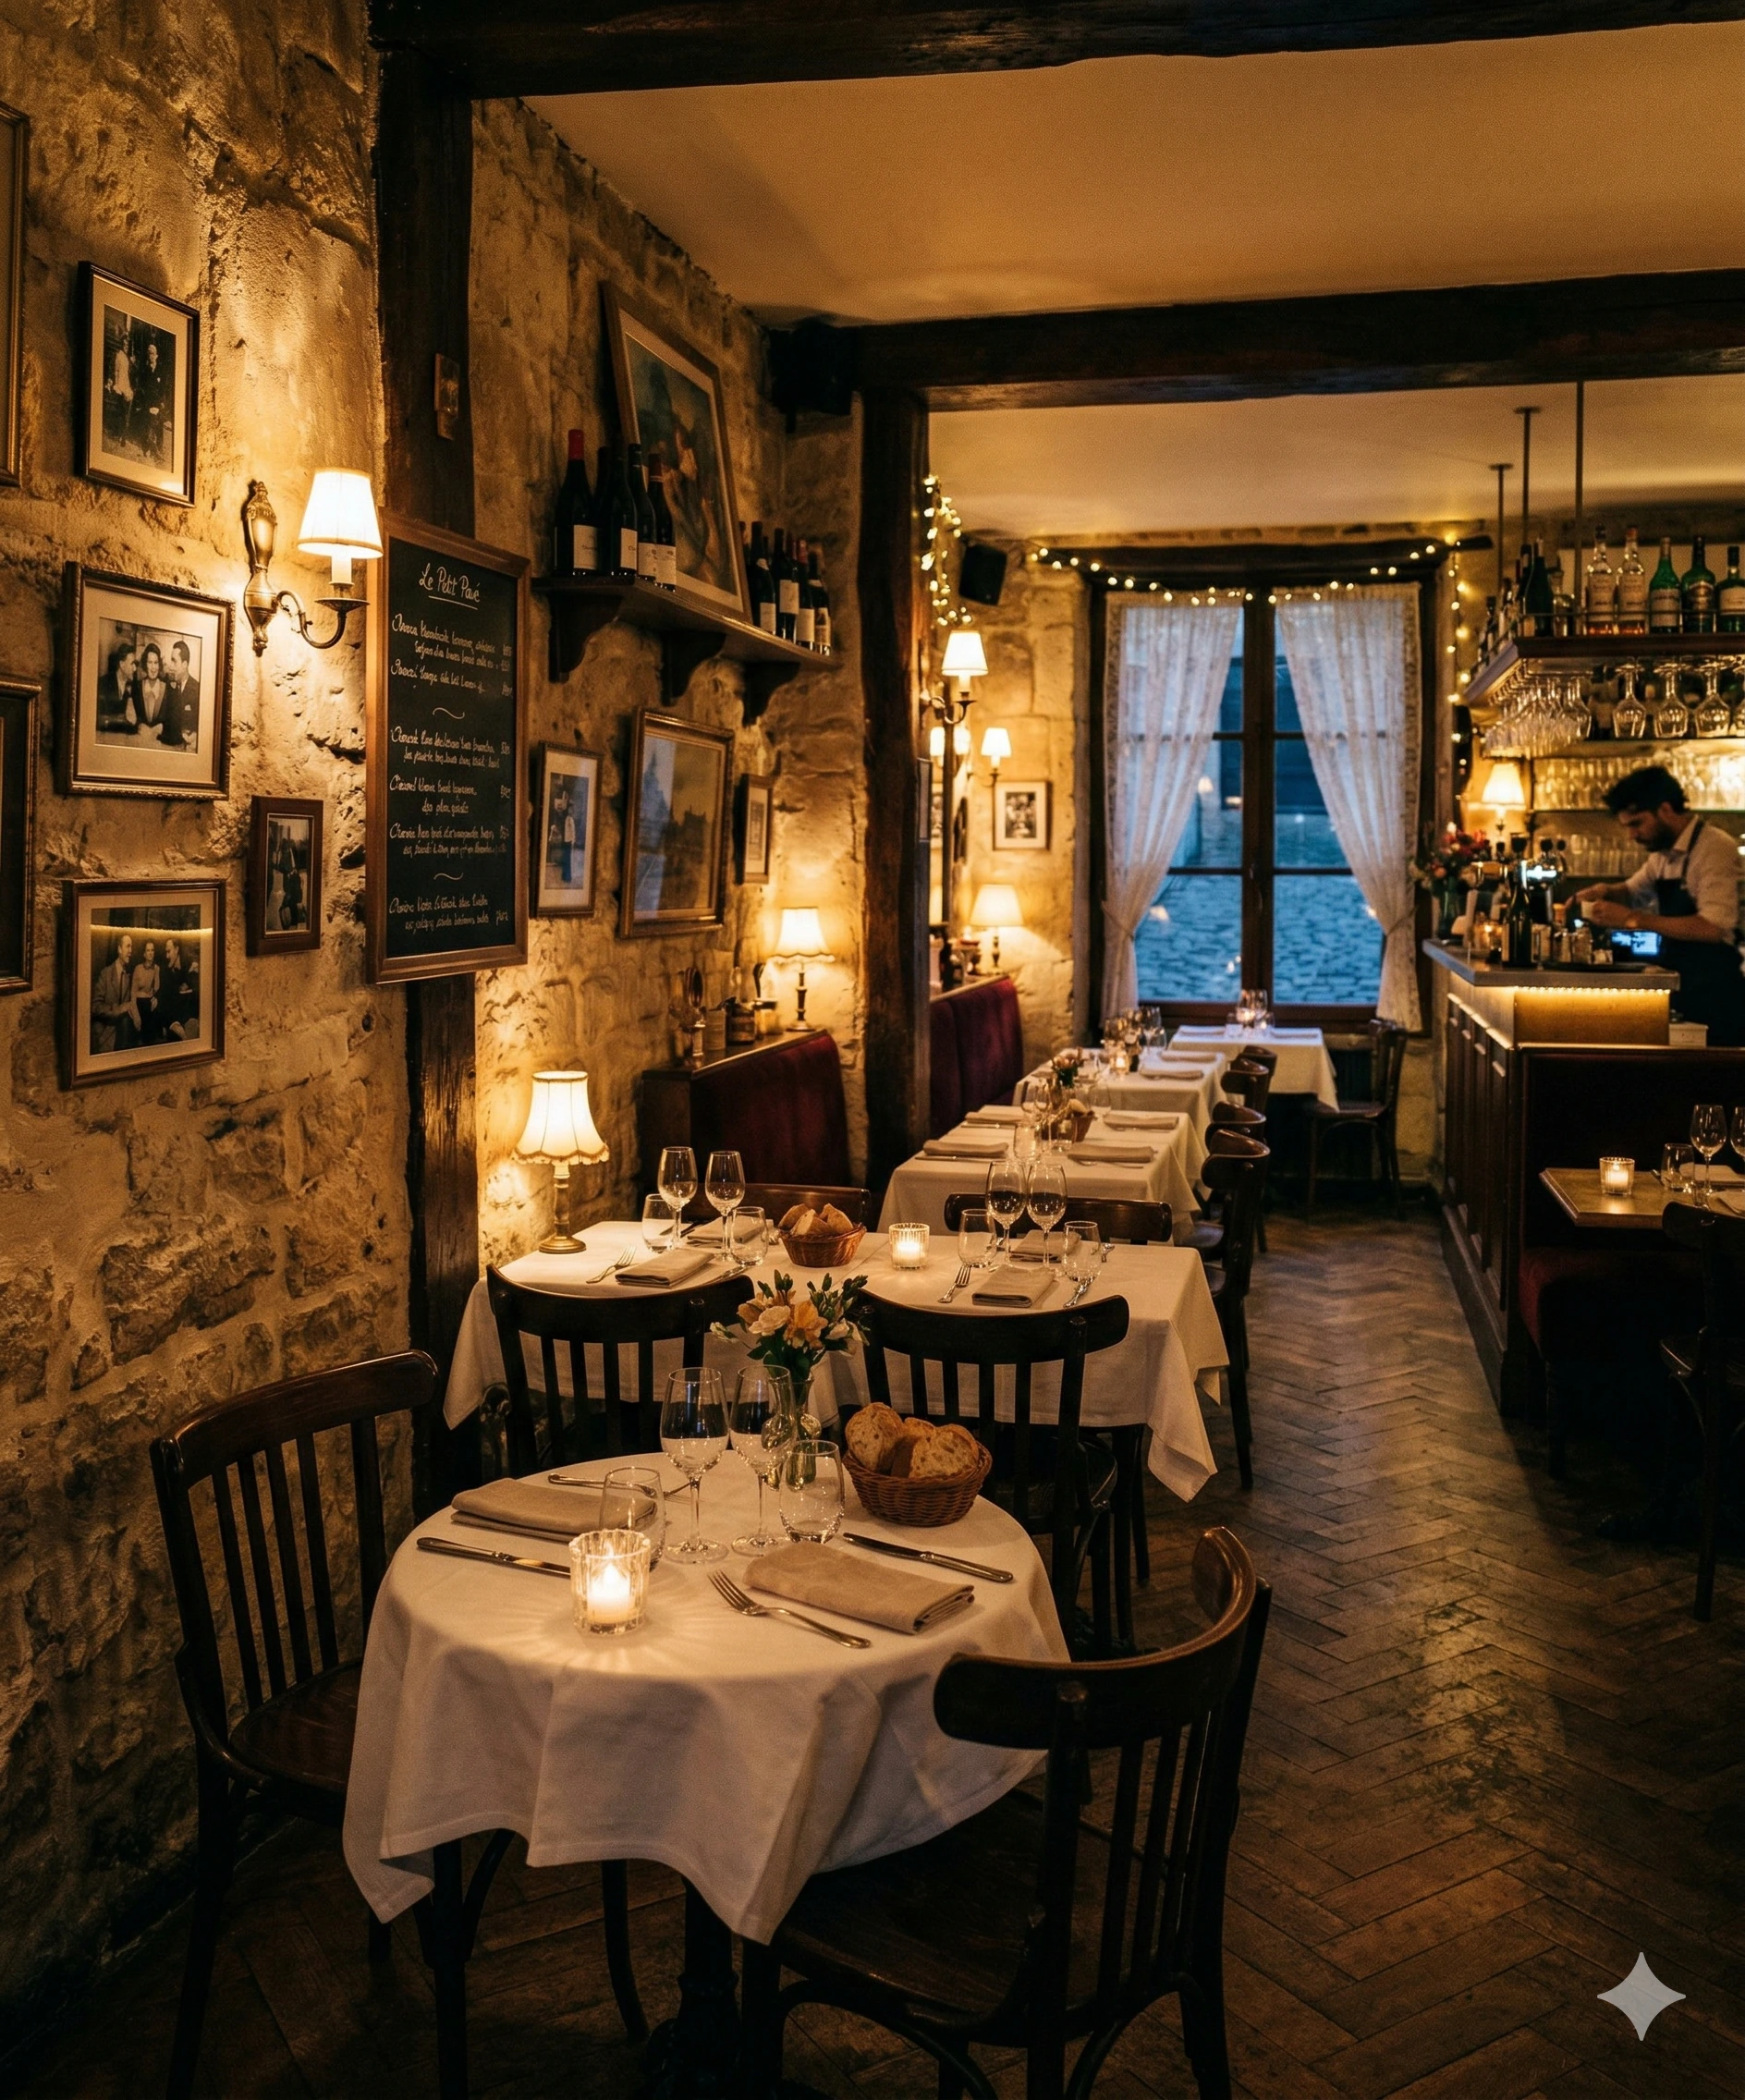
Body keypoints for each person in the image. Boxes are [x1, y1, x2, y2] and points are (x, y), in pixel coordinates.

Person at [1577, 763, 1745, 1045]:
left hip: (1717, 992)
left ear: (1665, 810)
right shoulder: (1664, 855)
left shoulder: (1714, 848)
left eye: (1637, 824)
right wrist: (1605, 891)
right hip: (1685, 983)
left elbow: (1712, 928)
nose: (1632, 835)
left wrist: (1632, 919)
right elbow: (1632, 891)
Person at [91, 933, 136, 1055]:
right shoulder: (105, 974)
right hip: (105, 1036)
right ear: (119, 949)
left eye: (131, 947)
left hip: (123, 1037)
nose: (131, 951)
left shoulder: (129, 975)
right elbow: (95, 1007)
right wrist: (119, 1009)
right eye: (128, 946)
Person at [162, 640, 199, 750]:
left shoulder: (197, 689)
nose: (171, 666)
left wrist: (195, 734)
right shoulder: (168, 686)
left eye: (174, 661)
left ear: (184, 664)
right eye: (171, 661)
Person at [95, 641, 139, 737]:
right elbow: (96, 718)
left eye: (135, 664)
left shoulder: (136, 687)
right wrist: (120, 719)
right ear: (122, 664)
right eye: (132, 664)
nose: (135, 668)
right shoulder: (103, 683)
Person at [160, 937, 198, 1039]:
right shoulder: (166, 968)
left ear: (176, 949)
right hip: (175, 1011)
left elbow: (196, 988)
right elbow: (165, 992)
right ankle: (173, 1025)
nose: (167, 956)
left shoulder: (189, 963)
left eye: (169, 951)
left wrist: (188, 985)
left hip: (189, 1009)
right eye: (166, 952)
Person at [132, 643, 170, 739]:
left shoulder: (167, 688)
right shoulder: (137, 687)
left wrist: (161, 729)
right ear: (145, 664)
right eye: (150, 662)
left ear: (159, 664)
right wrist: (139, 726)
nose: (153, 668)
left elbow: (171, 722)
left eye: (156, 663)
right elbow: (133, 719)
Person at [130, 939, 162, 1044]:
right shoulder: (138, 968)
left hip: (149, 1003)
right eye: (148, 950)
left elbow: (157, 989)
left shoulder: (156, 968)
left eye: (152, 950)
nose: (150, 953)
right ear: (144, 954)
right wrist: (135, 1014)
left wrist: (155, 997)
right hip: (138, 1003)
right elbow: (133, 994)